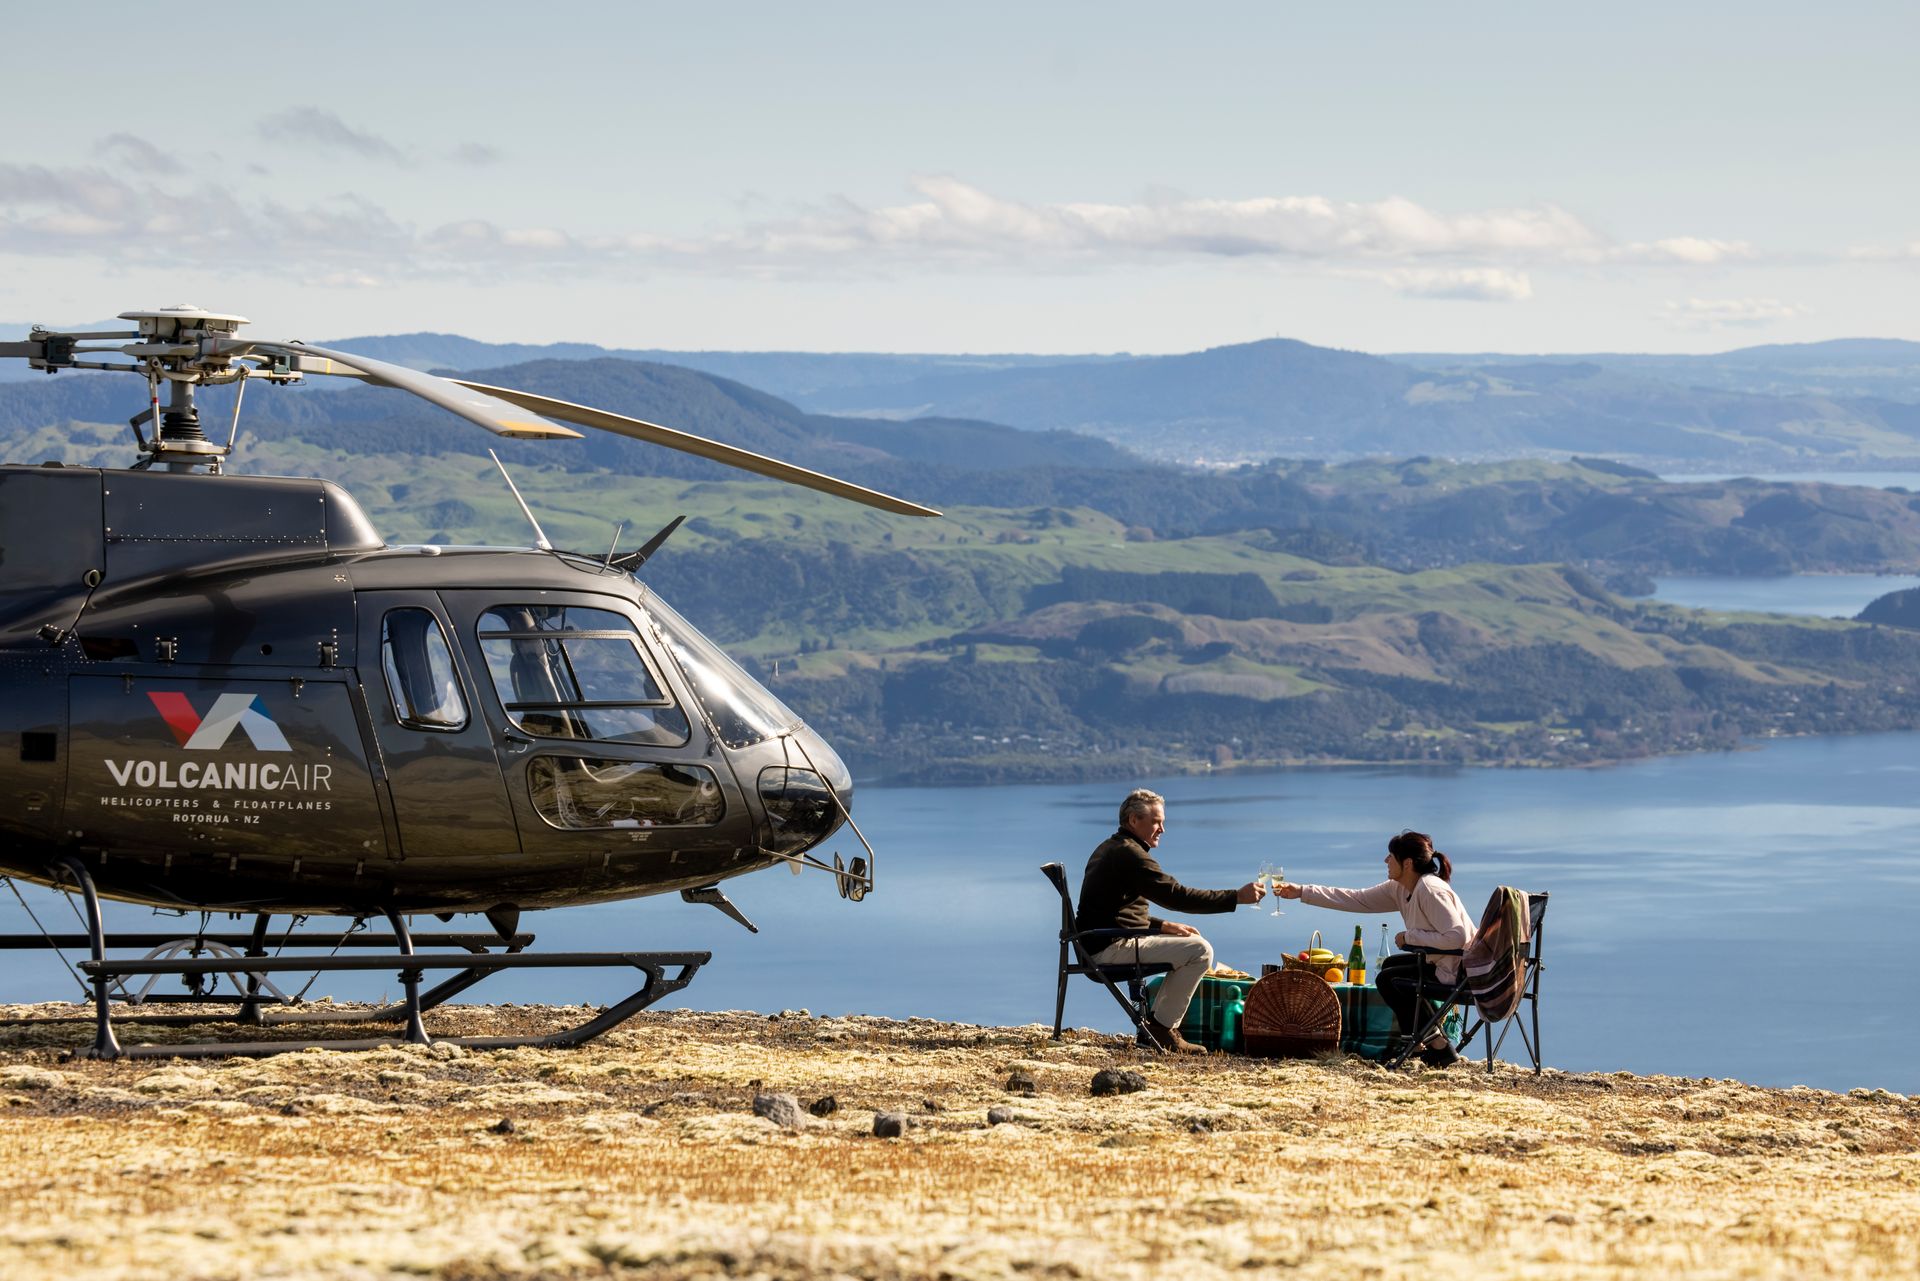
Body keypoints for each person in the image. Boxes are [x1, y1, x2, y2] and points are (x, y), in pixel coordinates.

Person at [1077, 788, 1266, 1054]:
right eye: (1157, 821)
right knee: (1200, 950)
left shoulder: (1114, 847)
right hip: (1107, 948)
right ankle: (1160, 1029)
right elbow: (1177, 896)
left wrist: (1161, 926)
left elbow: (1118, 911)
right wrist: (1236, 897)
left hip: (1097, 942)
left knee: (1190, 942)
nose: (1162, 829)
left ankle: (1157, 1027)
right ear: (1133, 820)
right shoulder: (1129, 855)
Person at [1276, 830, 1473, 1067]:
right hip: (1442, 962)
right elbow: (1355, 898)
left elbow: (1457, 936)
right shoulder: (1400, 888)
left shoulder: (1430, 889)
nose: (1386, 861)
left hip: (1460, 971)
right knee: (1390, 967)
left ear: (1407, 863)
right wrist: (1302, 891)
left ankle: (1435, 1046)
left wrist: (1410, 936)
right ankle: (1422, 1042)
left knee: (1388, 979)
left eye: (1391, 856)